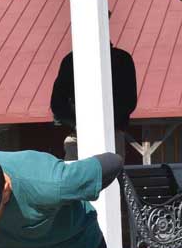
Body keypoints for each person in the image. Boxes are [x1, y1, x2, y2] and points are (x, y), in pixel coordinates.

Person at [50, 26, 137, 159]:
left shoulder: (121, 59)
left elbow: (128, 101)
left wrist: (103, 124)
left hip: (110, 134)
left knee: (95, 177)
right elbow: (57, 103)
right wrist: (78, 124)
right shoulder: (71, 61)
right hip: (78, 136)